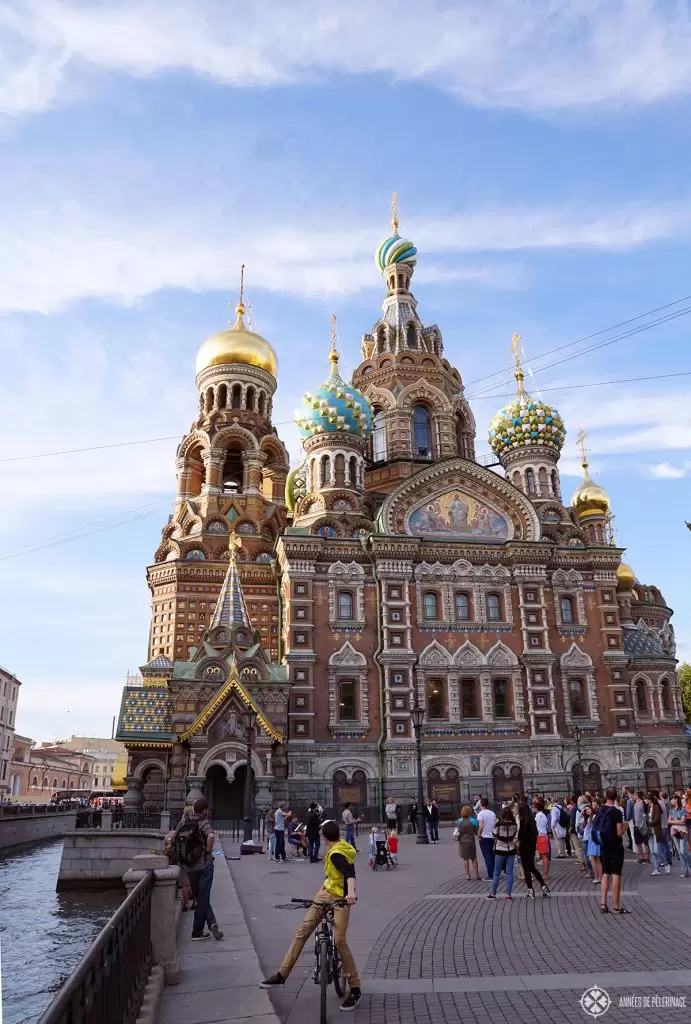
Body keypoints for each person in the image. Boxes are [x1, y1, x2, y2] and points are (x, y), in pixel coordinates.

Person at [260, 820, 362, 1012]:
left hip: (341, 899)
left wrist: (350, 894)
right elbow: (333, 876)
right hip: (325, 895)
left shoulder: (337, 853)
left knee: (339, 941)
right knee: (303, 931)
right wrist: (322, 889)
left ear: (324, 838)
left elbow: (349, 872)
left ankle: (355, 988)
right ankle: (282, 974)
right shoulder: (339, 846)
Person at [176, 797, 223, 941]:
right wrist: (208, 850)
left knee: (199, 897)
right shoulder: (203, 822)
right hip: (204, 865)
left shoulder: (185, 820)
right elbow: (211, 835)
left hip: (189, 866)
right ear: (204, 810)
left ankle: (212, 924)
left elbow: (176, 835)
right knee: (203, 898)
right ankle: (197, 931)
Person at [595, 787, 630, 914]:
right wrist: (626, 826)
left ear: (605, 796)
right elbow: (619, 832)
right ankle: (616, 905)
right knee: (616, 875)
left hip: (603, 846)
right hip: (615, 846)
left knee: (605, 873)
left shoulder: (600, 810)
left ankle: (603, 903)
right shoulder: (616, 812)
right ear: (616, 797)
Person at [517, 802, 549, 898]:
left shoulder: (523, 821)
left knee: (527, 869)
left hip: (524, 847)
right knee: (532, 868)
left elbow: (520, 836)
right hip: (531, 847)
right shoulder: (532, 820)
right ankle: (543, 886)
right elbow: (536, 833)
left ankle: (530, 890)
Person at [486, 807, 518, 900]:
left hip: (500, 849)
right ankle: (508, 894)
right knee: (509, 872)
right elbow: (515, 835)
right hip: (511, 849)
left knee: (496, 873)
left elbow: (494, 834)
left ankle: (493, 893)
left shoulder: (499, 824)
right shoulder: (514, 824)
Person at [648, 790, 670, 875]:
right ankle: (656, 868)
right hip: (650, 830)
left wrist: (649, 823)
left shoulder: (657, 805)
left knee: (657, 850)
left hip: (658, 829)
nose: (646, 800)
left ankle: (666, 863)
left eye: (648, 798)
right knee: (653, 851)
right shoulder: (649, 807)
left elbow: (657, 819)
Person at [457, 805, 479, 881]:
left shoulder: (459, 821)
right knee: (474, 858)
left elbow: (458, 831)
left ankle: (467, 876)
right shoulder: (473, 821)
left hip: (462, 841)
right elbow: (476, 831)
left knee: (465, 859)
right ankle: (476, 875)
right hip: (471, 840)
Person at [669, 794, 690, 877]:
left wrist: (674, 821)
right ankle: (685, 871)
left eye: (672, 799)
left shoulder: (682, 810)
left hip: (682, 831)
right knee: (680, 852)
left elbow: (683, 821)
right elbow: (669, 821)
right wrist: (677, 821)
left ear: (676, 800)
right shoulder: (671, 810)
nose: (671, 801)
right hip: (674, 831)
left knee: (683, 851)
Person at [477, 797, 497, 880]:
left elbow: (481, 826)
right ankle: (495, 873)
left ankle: (490, 875)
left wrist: (478, 834)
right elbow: (495, 824)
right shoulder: (492, 813)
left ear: (481, 804)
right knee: (492, 855)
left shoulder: (481, 814)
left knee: (487, 856)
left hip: (484, 837)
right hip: (492, 836)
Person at [583, 804, 601, 882]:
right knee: (595, 858)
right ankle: (598, 876)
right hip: (591, 838)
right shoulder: (588, 818)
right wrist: (582, 813)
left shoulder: (593, 817)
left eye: (588, 809)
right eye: (586, 810)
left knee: (593, 858)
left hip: (594, 837)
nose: (587, 811)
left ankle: (598, 877)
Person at [534, 798, 551, 882]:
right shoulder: (543, 815)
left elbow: (536, 827)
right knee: (544, 856)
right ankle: (545, 873)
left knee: (543, 856)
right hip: (544, 835)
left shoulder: (538, 816)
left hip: (541, 836)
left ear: (537, 808)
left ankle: (545, 874)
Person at [632, 791, 650, 863]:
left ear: (637, 795)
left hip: (643, 826)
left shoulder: (643, 803)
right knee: (638, 842)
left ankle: (647, 858)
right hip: (636, 825)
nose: (633, 796)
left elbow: (647, 812)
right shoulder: (634, 803)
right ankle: (641, 857)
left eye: (634, 795)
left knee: (645, 842)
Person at [658, 791, 674, 870]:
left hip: (664, 823)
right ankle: (669, 859)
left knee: (662, 844)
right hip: (668, 823)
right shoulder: (669, 803)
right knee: (667, 843)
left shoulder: (662, 803)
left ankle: (664, 860)